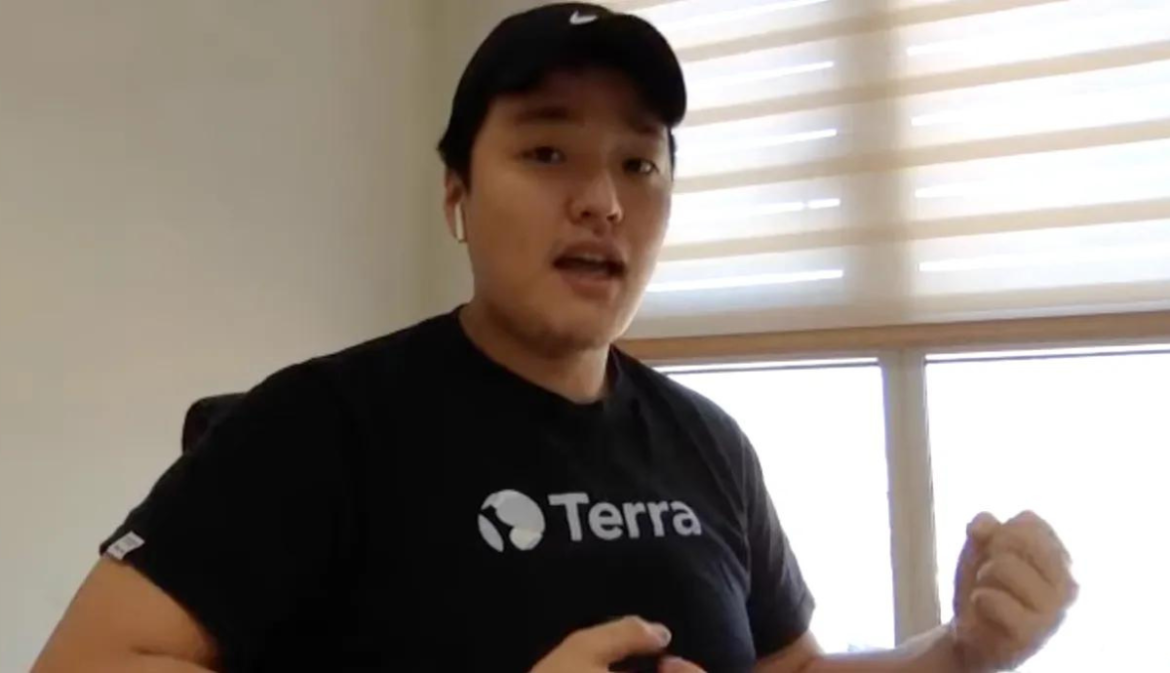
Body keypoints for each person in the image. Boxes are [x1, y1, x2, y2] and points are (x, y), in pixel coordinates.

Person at [33, 4, 1077, 672]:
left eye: (639, 164)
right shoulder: (316, 424)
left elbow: (789, 669)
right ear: (456, 194)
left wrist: (956, 650)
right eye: (546, 152)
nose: (603, 202)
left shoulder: (709, 442)